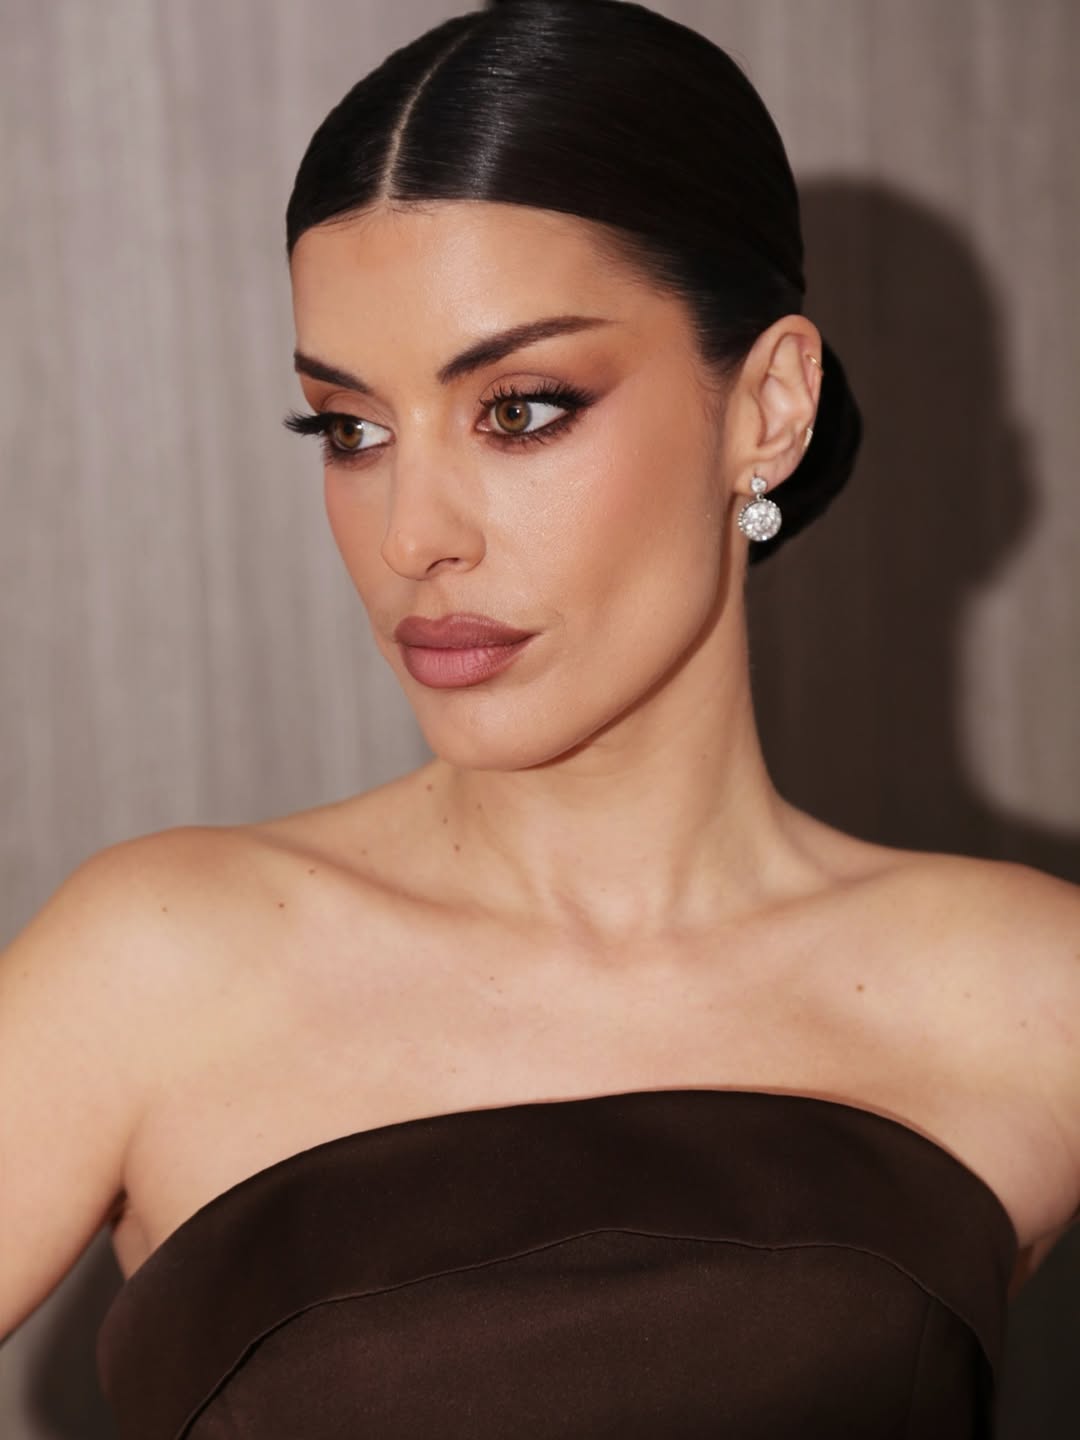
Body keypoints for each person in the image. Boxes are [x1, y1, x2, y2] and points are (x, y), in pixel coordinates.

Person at [2, 0, 1077, 1434]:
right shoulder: (157, 963)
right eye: (351, 429)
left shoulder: (1028, 993)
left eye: (519, 410)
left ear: (768, 406)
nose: (412, 537)